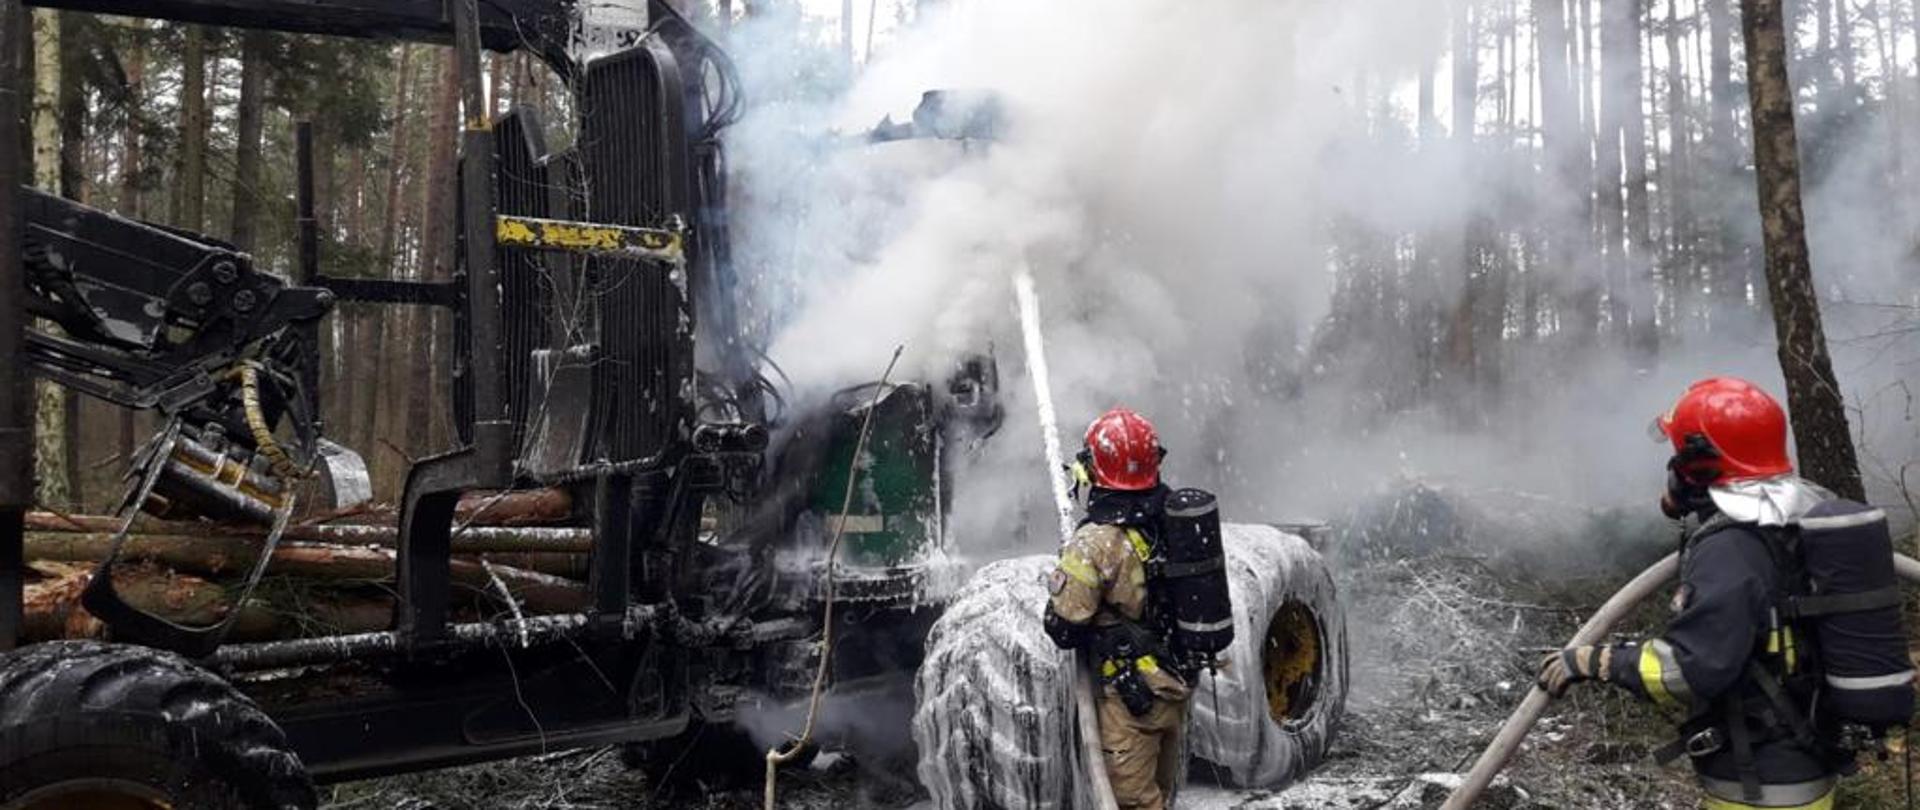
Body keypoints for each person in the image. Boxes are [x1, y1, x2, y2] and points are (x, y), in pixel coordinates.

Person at [1538, 377, 1844, 810]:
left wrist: (1598, 661)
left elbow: (1689, 668)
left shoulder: (1731, 547)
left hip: (1760, 784)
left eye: (1678, 458)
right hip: (1800, 761)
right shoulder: (1790, 521)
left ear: (1697, 467)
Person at [1042, 407, 1190, 810]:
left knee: (1133, 802)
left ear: (1095, 469)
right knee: (1158, 794)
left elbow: (1064, 628)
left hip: (1130, 699)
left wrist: (1064, 576)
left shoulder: (1095, 542)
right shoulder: (1173, 518)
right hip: (1173, 684)